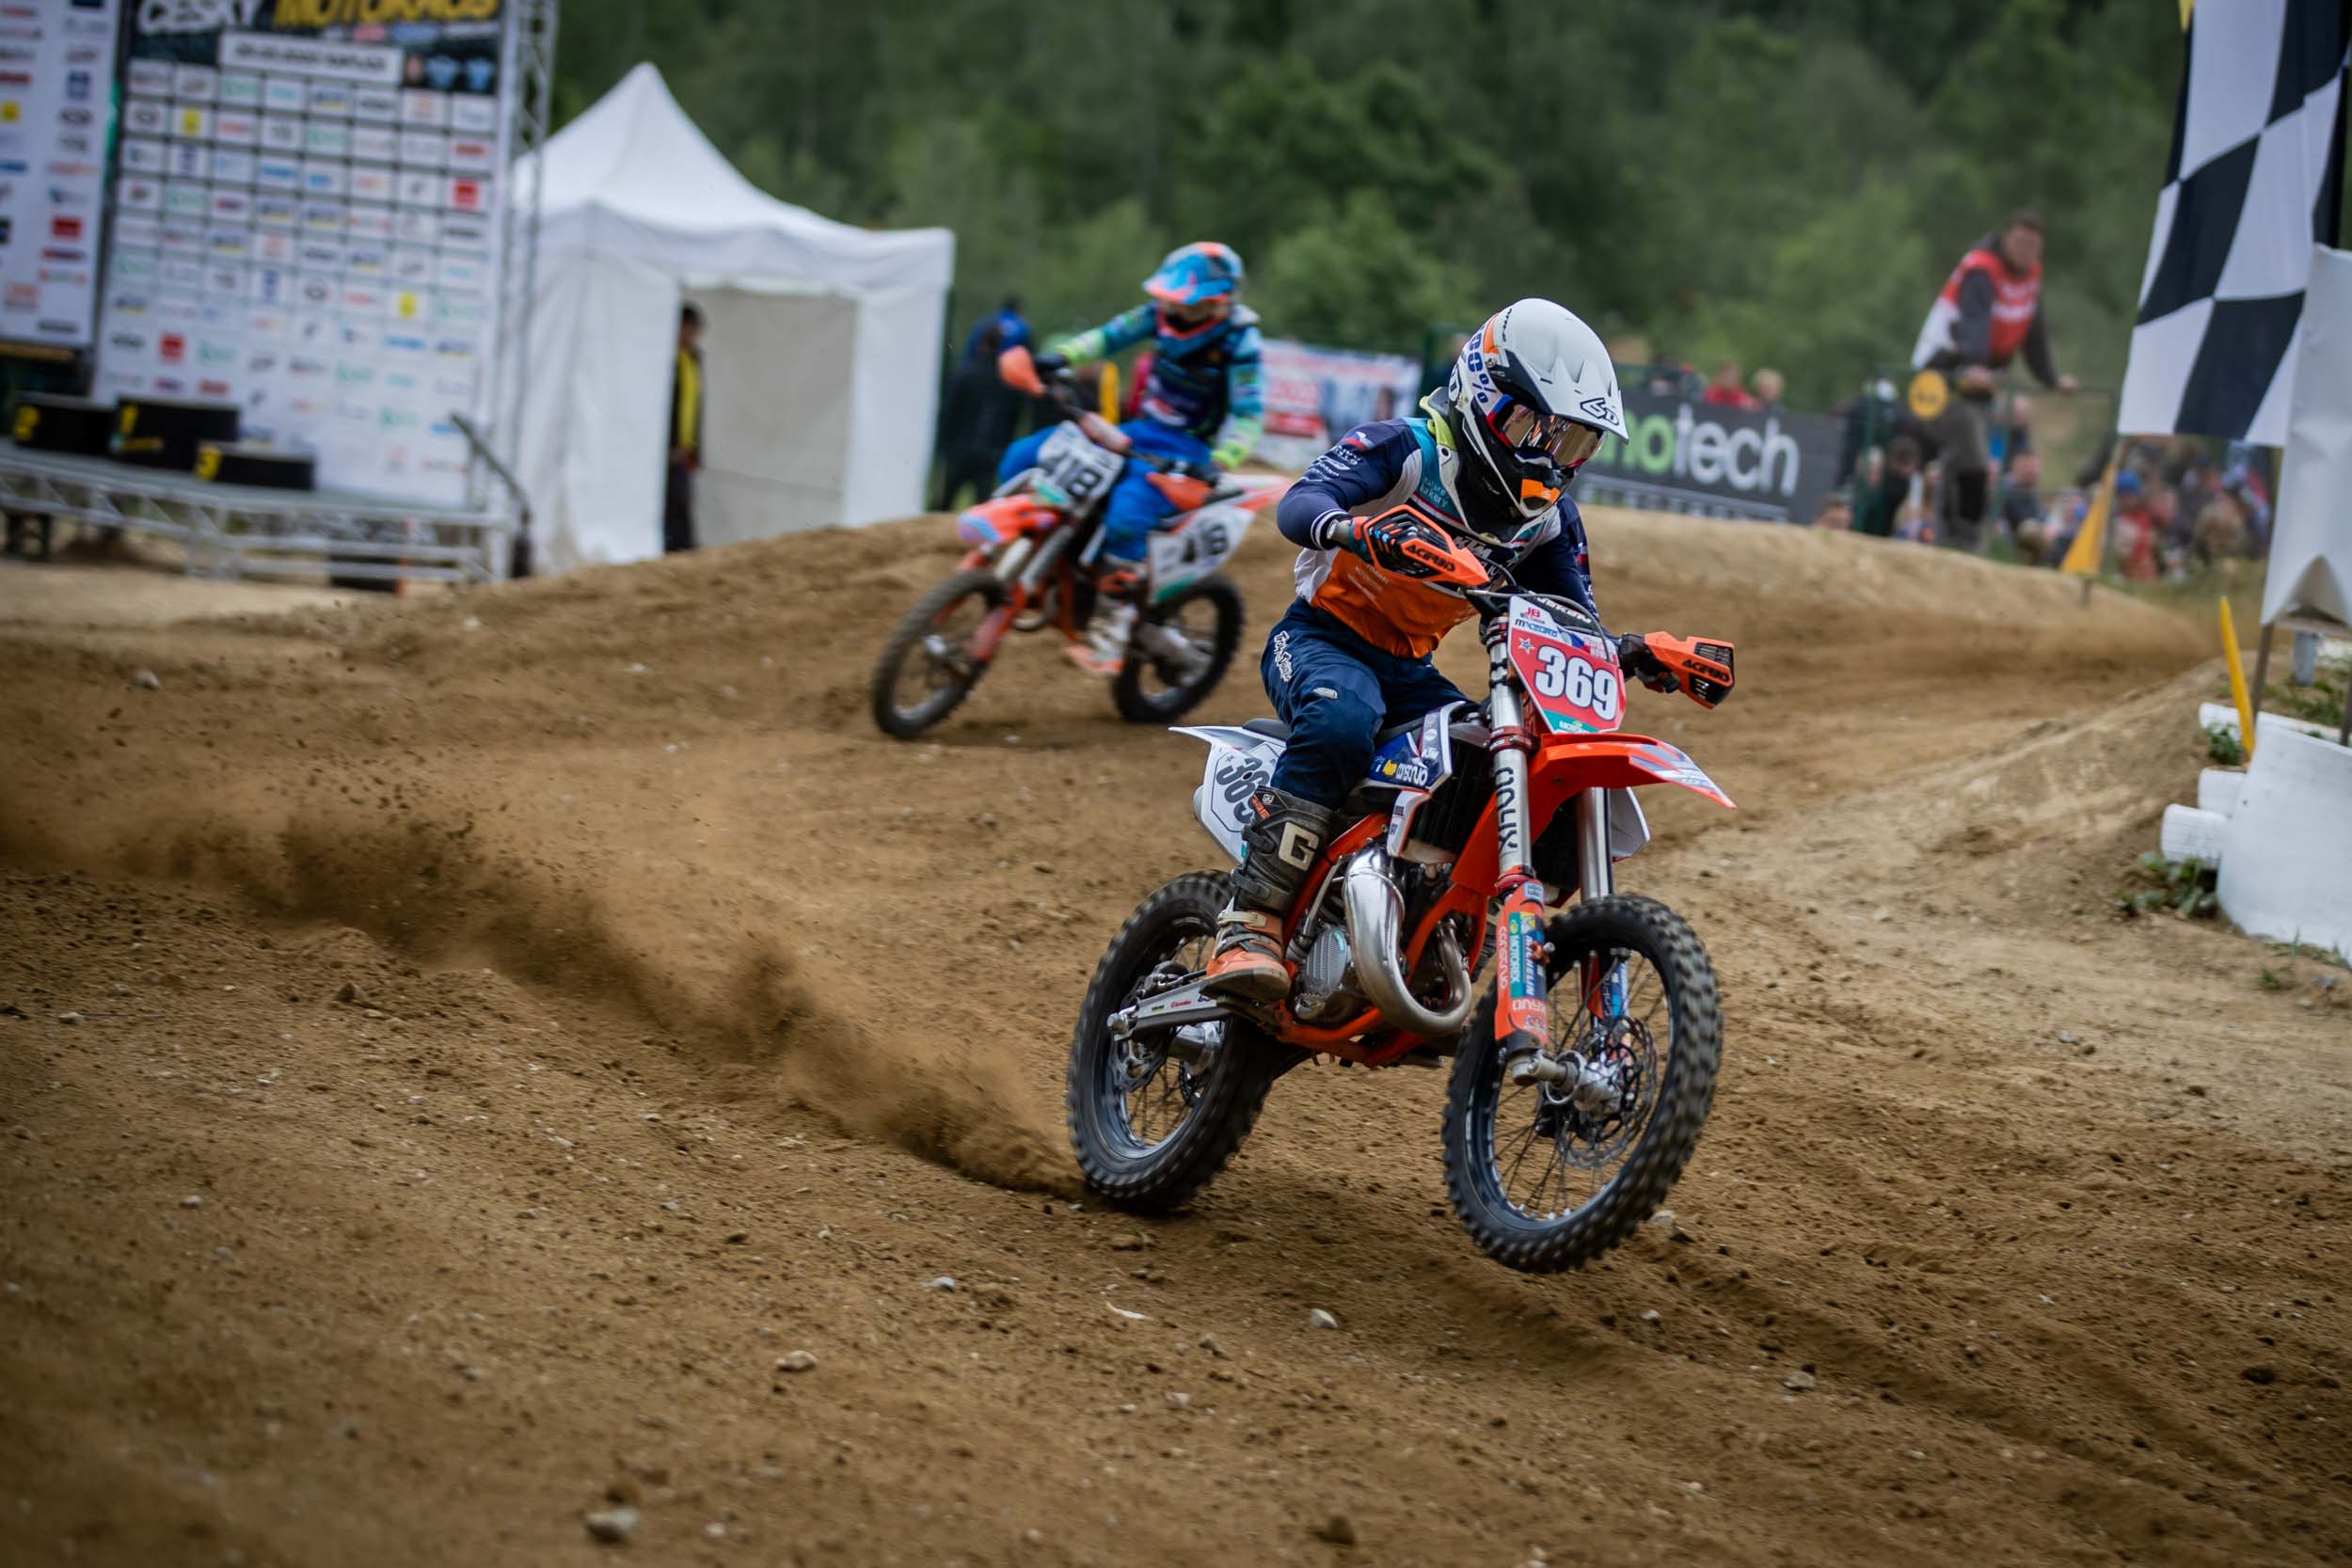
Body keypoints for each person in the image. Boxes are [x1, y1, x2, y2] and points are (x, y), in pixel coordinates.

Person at [1200, 299, 1681, 1000]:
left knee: (1481, 756)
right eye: (1536, 429)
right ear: (1484, 398)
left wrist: (1635, 651)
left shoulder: (1547, 521)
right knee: (1342, 719)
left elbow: (1574, 620)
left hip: (1409, 670)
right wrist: (1356, 530)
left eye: (1574, 443)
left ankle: (1423, 933)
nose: (1550, 457)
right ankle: (1250, 922)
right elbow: (1300, 502)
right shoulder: (1406, 450)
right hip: (1319, 638)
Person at [994, 243, 1263, 674]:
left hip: (1185, 448)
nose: (1173, 309)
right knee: (1030, 453)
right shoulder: (1157, 315)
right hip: (1138, 429)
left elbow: (1248, 415)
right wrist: (1062, 357)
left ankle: (1111, 631)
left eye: (1184, 302)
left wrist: (1221, 459)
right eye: (1170, 299)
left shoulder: (1240, 341)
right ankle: (1039, 551)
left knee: (1128, 510)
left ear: (1217, 301)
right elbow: (1109, 335)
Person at [1911, 210, 2078, 551]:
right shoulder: (1981, 268)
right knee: (1973, 455)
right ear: (2006, 239)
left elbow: (2033, 333)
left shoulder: (2031, 278)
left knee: (1962, 457)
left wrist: (2051, 379)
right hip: (1943, 374)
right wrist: (1974, 366)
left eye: (2033, 245)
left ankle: (1949, 538)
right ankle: (1966, 538)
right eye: (2020, 242)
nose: (2026, 251)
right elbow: (1974, 322)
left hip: (1981, 381)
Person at [665, 303, 705, 555]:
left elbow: (696, 406)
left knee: (683, 499)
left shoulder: (694, 359)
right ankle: (674, 547)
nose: (694, 335)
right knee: (673, 500)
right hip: (671, 448)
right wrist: (670, 444)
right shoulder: (669, 358)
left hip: (686, 447)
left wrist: (694, 448)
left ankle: (683, 546)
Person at [963, 295, 1029, 362]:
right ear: (1017, 309)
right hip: (1008, 365)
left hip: (981, 363)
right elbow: (1028, 352)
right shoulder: (1022, 327)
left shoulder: (986, 322)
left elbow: (971, 348)